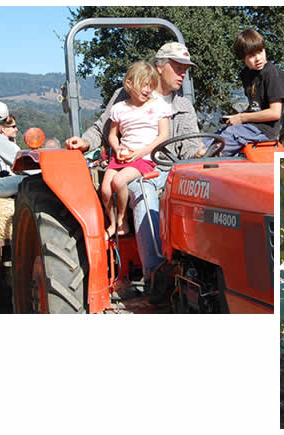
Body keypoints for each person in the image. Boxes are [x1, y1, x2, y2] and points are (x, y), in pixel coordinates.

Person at [65, 42, 202, 297]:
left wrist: (201, 152)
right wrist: (85, 141)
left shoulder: (183, 105)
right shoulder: (124, 97)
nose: (183, 73)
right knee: (142, 190)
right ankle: (156, 275)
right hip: (136, 167)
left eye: (186, 69)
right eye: (177, 67)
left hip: (172, 171)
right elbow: (103, 129)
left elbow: (192, 144)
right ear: (160, 67)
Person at [102, 61, 171, 239]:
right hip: (123, 155)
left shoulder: (158, 106)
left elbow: (163, 136)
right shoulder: (119, 108)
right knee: (105, 189)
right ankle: (115, 224)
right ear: (130, 83)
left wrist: (141, 152)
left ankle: (122, 219)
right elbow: (112, 136)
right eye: (144, 85)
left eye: (151, 86)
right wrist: (117, 148)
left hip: (145, 156)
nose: (147, 90)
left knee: (118, 181)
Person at [202, 28, 284, 156]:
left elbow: (275, 113)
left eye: (260, 52)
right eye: (252, 55)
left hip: (265, 131)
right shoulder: (247, 75)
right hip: (251, 127)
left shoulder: (271, 73)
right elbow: (256, 107)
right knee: (208, 138)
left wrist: (242, 118)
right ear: (242, 58)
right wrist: (237, 116)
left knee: (227, 137)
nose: (258, 58)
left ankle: (207, 155)